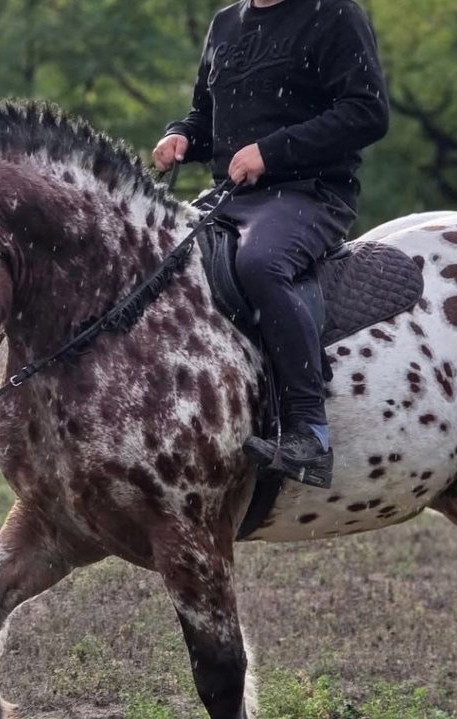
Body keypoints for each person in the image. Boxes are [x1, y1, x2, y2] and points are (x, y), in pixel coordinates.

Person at [153, 0, 389, 489]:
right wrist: (181, 136)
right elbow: (207, 119)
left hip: (310, 194)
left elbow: (367, 113)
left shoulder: (334, 14)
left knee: (260, 263)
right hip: (230, 196)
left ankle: (310, 431)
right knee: (159, 258)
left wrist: (271, 152)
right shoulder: (225, 23)